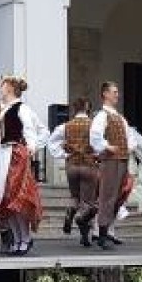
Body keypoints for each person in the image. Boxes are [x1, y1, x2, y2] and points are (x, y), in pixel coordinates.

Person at [0, 76, 43, 256]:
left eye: (3, 85)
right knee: (4, 201)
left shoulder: (22, 109)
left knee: (15, 197)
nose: (0, 88)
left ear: (11, 87)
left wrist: (31, 147)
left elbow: (31, 130)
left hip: (13, 154)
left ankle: (25, 238)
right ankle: (17, 239)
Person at [89, 81, 137, 250]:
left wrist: (128, 147)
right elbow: (94, 136)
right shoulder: (102, 115)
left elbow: (130, 137)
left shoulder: (119, 117)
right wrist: (107, 146)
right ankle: (101, 235)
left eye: (117, 92)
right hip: (110, 161)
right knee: (107, 196)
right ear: (105, 94)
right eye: (114, 92)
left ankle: (107, 231)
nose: (118, 95)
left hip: (122, 160)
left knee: (117, 196)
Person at [47, 98, 98, 247]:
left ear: (74, 110)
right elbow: (101, 144)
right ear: (87, 108)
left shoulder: (65, 126)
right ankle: (84, 233)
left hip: (72, 166)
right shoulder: (94, 126)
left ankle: (71, 212)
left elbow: (51, 143)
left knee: (75, 197)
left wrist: (65, 154)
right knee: (88, 204)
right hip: (89, 166)